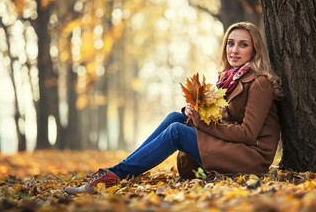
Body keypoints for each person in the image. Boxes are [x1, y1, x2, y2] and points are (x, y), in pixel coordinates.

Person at [64, 21, 283, 194]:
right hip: (230, 147)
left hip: (250, 157)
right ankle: (115, 172)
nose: (234, 50)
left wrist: (200, 123)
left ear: (255, 51)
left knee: (177, 132)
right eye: (230, 43)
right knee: (175, 118)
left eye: (243, 45)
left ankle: (112, 177)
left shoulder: (260, 83)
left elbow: (247, 133)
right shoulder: (229, 80)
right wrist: (195, 113)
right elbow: (223, 120)